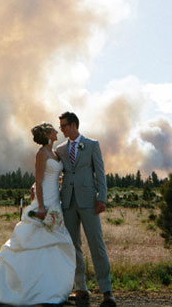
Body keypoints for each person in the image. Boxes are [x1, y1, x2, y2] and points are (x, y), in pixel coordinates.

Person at [0, 123, 75, 305]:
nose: (57, 131)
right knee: (33, 245)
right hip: (45, 203)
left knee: (54, 246)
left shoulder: (55, 152)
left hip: (55, 201)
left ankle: (49, 288)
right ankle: (26, 289)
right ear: (48, 135)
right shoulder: (42, 154)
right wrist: (40, 207)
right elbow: (39, 181)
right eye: (53, 130)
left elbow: (51, 176)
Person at [56, 111, 116, 307]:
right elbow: (52, 172)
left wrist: (102, 198)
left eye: (63, 125)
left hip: (90, 202)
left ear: (73, 125)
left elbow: (100, 173)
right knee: (74, 247)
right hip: (69, 203)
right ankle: (81, 288)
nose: (61, 129)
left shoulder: (91, 145)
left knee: (96, 244)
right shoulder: (61, 149)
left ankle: (107, 291)